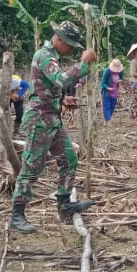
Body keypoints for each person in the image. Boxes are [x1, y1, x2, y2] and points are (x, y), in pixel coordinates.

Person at [10, 22, 97, 234]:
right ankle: (17, 214)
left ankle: (65, 205)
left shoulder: (53, 56)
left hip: (52, 117)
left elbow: (47, 87)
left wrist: (63, 100)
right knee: (32, 166)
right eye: (70, 45)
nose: (72, 49)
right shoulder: (45, 56)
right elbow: (62, 79)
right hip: (40, 119)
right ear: (59, 40)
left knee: (69, 158)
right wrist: (83, 62)